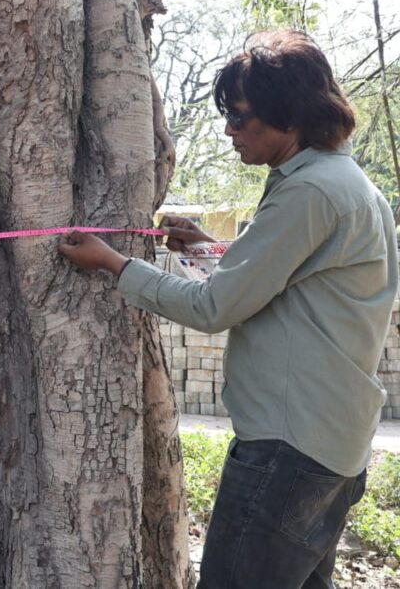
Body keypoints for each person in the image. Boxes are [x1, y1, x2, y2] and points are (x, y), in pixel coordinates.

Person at [57, 30, 398, 588]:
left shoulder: (311, 192)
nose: (228, 130)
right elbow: (281, 283)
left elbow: (217, 307)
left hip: (288, 452)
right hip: (330, 444)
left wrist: (113, 265)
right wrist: (202, 248)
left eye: (240, 118)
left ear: (288, 116)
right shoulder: (343, 182)